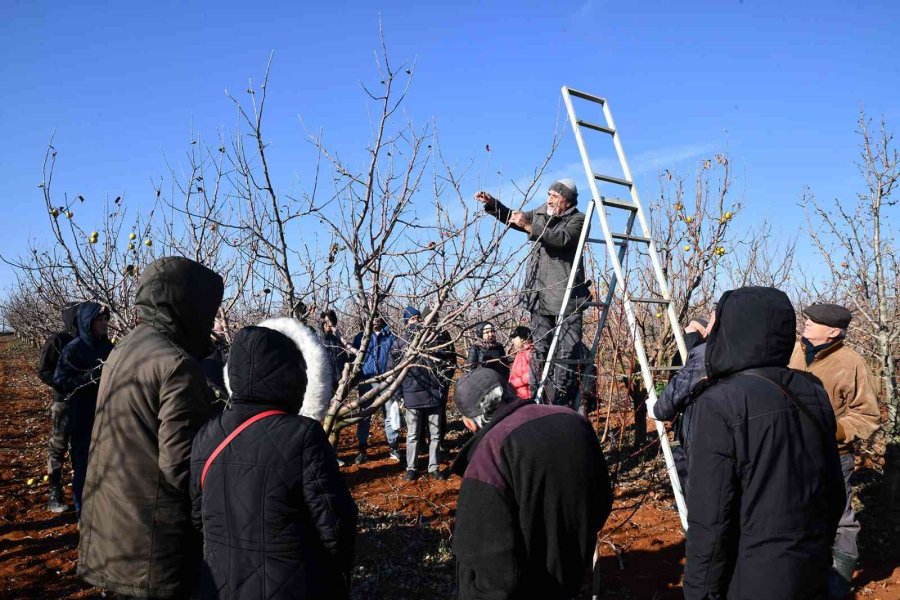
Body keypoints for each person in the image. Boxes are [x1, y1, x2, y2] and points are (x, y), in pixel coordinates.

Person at [683, 287, 846, 600]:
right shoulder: (812, 389)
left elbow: (711, 520)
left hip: (751, 575)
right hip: (810, 567)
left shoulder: (721, 402)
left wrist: (699, 593)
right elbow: (834, 491)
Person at [78, 256, 224, 599]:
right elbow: (181, 466)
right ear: (187, 305)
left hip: (111, 524)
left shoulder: (125, 348)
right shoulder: (176, 365)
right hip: (153, 538)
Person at [190, 318, 356, 600]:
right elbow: (335, 526)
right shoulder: (303, 435)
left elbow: (197, 516)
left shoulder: (207, 434)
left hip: (219, 585)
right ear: (288, 374)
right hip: (293, 585)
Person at [450, 368, 612, 599]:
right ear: (511, 392)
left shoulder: (489, 455)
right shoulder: (572, 419)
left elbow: (490, 568)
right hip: (572, 574)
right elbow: (602, 500)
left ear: (468, 423)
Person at [788, 303, 881, 599]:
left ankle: (838, 584)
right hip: (788, 452)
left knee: (841, 519)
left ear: (833, 332)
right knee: (791, 513)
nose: (806, 325)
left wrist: (834, 430)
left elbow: (868, 416)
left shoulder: (851, 363)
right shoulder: (792, 351)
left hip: (832, 455)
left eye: (813, 322)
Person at [476, 179, 589, 407]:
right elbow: (515, 219)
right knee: (540, 351)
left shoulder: (578, 219)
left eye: (555, 196)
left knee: (567, 352)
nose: (549, 200)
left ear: (568, 201)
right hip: (539, 297)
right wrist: (493, 205)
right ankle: (538, 400)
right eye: (549, 194)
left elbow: (562, 239)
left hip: (567, 299)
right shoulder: (540, 213)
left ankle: (560, 402)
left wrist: (530, 227)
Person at [51, 302, 113, 518]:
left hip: (107, 416)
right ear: (88, 322)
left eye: (106, 319)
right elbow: (59, 381)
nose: (105, 323)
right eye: (100, 319)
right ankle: (82, 515)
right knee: (83, 466)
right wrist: (88, 379)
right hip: (82, 416)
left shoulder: (109, 348)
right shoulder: (73, 349)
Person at [649, 316, 710, 495]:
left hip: (693, 420)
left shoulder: (701, 351)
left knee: (688, 462)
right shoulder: (694, 350)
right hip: (687, 417)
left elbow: (692, 371)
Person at [392, 306, 446, 481]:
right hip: (411, 395)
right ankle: (412, 467)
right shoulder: (400, 343)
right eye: (412, 319)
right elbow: (392, 371)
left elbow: (444, 364)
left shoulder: (432, 339)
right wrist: (399, 396)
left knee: (436, 434)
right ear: (406, 323)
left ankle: (434, 467)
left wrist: (441, 386)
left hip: (433, 394)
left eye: (418, 317)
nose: (416, 321)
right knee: (413, 434)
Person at [36, 301, 80, 513]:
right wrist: (63, 384)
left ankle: (81, 490)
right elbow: (44, 371)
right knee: (59, 446)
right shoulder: (58, 340)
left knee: (82, 446)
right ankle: (55, 491)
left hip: (88, 403)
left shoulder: (91, 341)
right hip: (63, 402)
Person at [351, 314, 401, 464]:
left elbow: (397, 357)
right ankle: (362, 449)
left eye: (379, 316)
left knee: (390, 413)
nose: (376, 320)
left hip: (386, 380)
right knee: (364, 415)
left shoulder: (390, 336)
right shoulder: (361, 337)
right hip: (367, 381)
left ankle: (393, 447)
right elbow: (354, 359)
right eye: (373, 317)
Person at [422, 306, 456, 457]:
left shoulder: (443, 334)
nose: (433, 320)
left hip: (441, 381)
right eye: (430, 317)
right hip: (422, 382)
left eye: (435, 317)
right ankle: (423, 442)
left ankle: (439, 441)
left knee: (440, 412)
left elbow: (452, 358)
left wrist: (446, 378)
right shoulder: (420, 335)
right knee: (422, 413)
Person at [507, 325, 533, 400]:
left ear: (522, 339)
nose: (513, 340)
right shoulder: (520, 353)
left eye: (515, 337)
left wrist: (512, 384)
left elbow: (530, 375)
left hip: (525, 397)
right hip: (516, 395)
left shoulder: (530, 353)